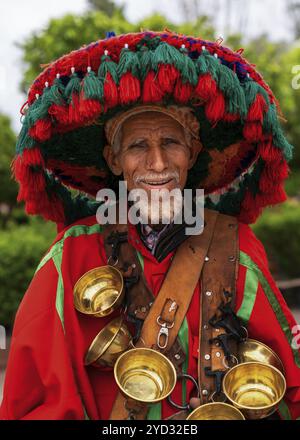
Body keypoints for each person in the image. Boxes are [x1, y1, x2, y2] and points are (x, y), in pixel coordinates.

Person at [0, 30, 299, 420]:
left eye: (171, 143)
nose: (157, 164)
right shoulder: (71, 256)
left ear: (191, 154)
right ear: (113, 159)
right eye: (138, 146)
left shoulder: (235, 245)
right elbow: (32, 399)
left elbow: (289, 388)